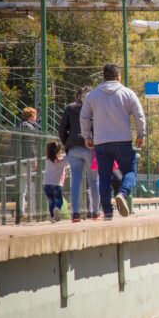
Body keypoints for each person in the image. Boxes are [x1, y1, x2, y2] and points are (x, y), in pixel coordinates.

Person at [80, 64, 145, 220]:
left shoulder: (92, 95)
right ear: (119, 76)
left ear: (103, 76)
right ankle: (122, 193)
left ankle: (107, 212)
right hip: (123, 140)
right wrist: (141, 134)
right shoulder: (127, 93)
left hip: (101, 142)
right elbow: (139, 115)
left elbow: (84, 116)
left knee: (104, 176)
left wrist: (87, 136)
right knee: (130, 170)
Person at [59, 86, 100, 222]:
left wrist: (67, 144)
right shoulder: (95, 109)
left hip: (74, 148)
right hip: (91, 148)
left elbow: (62, 129)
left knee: (76, 181)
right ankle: (95, 212)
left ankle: (75, 214)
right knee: (94, 181)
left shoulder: (70, 108)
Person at [43, 140, 69, 223]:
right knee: (59, 201)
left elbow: (53, 157)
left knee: (51, 202)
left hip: (46, 184)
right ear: (59, 151)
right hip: (56, 185)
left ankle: (52, 217)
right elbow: (68, 160)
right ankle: (57, 208)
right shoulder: (61, 161)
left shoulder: (47, 160)